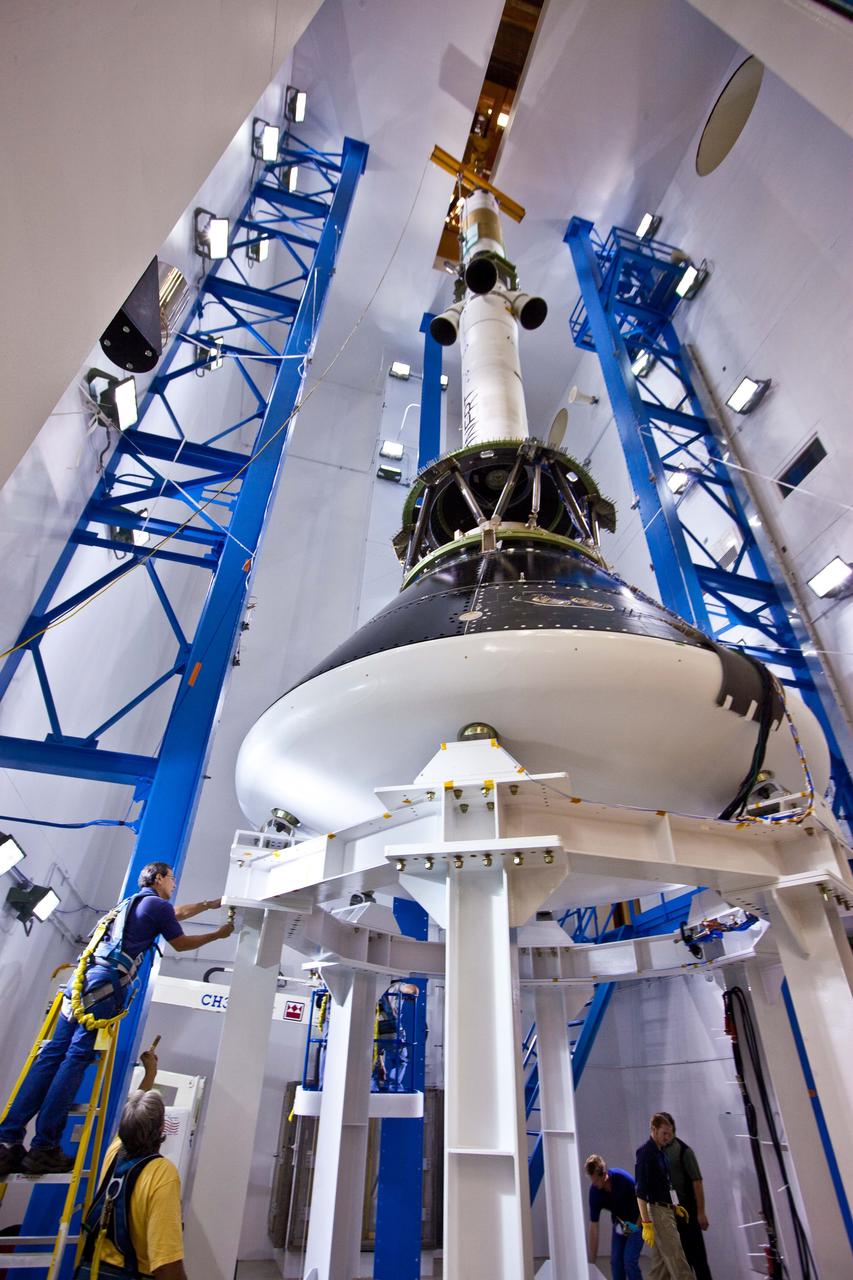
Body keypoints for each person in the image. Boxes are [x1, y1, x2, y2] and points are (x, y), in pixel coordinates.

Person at [0, 862, 232, 1176]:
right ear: (160, 878)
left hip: (80, 983)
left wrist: (209, 904)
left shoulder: (132, 904)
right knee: (76, 1058)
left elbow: (175, 913)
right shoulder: (157, 905)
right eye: (172, 878)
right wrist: (219, 935)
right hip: (106, 986)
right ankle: (44, 1147)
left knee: (52, 1055)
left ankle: (8, 1141)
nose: (174, 884)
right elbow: (179, 942)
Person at [77, 1042, 187, 1279]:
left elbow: (133, 1110)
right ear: (160, 1129)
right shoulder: (162, 1173)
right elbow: (167, 1264)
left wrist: (150, 1075)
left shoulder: (115, 1151)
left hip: (93, 1269)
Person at [635, 1113, 693, 1280]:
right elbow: (640, 1191)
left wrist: (674, 1205)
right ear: (653, 1130)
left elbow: (665, 1184)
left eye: (670, 1134)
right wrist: (646, 1223)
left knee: (661, 1270)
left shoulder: (661, 1153)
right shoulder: (645, 1153)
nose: (668, 1137)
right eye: (664, 1134)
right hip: (658, 1213)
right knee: (677, 1260)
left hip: (666, 1210)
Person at [659, 1111, 713, 1280]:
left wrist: (701, 1212)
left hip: (687, 1213)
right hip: (670, 1216)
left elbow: (697, 1182)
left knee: (698, 1260)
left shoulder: (683, 1151)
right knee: (680, 1263)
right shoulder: (657, 1153)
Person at [584, 1153, 643, 1280]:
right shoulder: (594, 1192)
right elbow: (594, 1227)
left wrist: (636, 1229)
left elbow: (643, 1202)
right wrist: (591, 1264)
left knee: (629, 1261)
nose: (594, 1184)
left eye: (596, 1180)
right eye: (592, 1180)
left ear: (604, 1175)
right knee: (616, 1262)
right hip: (620, 1224)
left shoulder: (623, 1179)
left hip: (638, 1221)